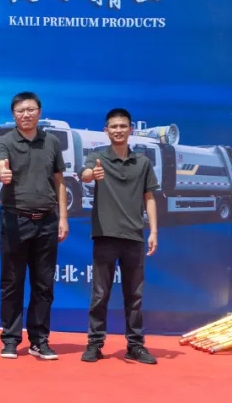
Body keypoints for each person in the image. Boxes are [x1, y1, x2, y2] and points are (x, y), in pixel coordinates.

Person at [0, 91, 69, 360]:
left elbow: (60, 182)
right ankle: (10, 339)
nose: (26, 114)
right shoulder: (5, 141)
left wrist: (63, 218)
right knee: (12, 283)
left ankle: (40, 340)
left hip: (46, 221)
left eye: (31, 109)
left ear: (39, 112)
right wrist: (2, 173)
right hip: (15, 219)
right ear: (14, 115)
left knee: (43, 285)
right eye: (20, 111)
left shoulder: (52, 142)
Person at [79, 108, 159, 365]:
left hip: (134, 237)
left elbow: (149, 198)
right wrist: (91, 175)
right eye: (113, 126)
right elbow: (85, 174)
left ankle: (135, 345)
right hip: (105, 235)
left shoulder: (142, 162)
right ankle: (94, 344)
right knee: (100, 294)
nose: (118, 130)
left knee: (134, 296)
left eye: (123, 126)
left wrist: (153, 231)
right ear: (106, 130)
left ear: (130, 130)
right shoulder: (97, 157)